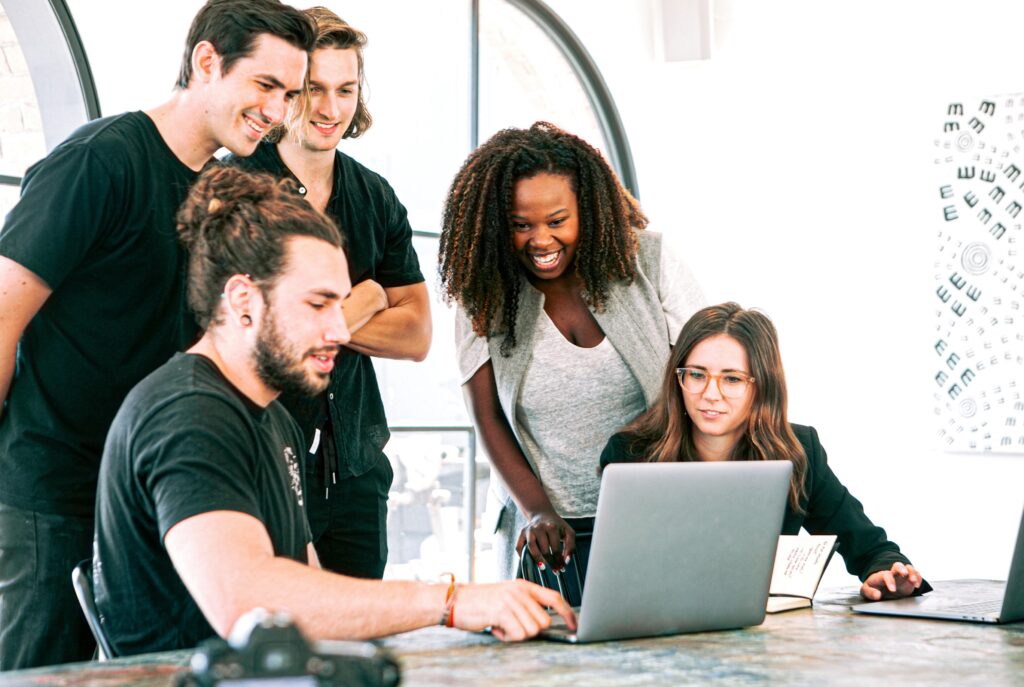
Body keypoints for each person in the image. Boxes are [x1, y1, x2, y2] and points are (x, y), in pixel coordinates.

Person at [92, 166, 574, 656]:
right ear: (242, 299)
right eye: (318, 305)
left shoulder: (274, 418)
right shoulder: (189, 415)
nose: (342, 332)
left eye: (340, 305)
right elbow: (250, 604)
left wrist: (461, 619)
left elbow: (312, 592)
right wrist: (450, 603)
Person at [0, 0, 315, 669]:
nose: (279, 110)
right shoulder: (99, 163)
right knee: (38, 671)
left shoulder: (233, 188)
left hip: (154, 491)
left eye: (290, 93)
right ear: (207, 61)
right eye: (265, 85)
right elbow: (2, 313)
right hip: (53, 486)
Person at [438, 122, 703, 587]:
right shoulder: (482, 291)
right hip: (547, 532)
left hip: (655, 512)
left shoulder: (650, 262)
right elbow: (488, 418)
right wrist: (537, 511)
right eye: (522, 225)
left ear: (590, 210)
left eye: (557, 221)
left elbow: (702, 381)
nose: (540, 240)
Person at [228, 7, 430, 579]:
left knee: (357, 651)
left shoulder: (376, 196)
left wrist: (313, 316)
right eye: (313, 89)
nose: (330, 108)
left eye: (346, 89)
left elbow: (416, 335)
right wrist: (366, 298)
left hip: (357, 470)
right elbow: (249, 332)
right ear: (287, 91)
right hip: (261, 462)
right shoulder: (236, 187)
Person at [600, 302, 931, 600]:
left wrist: (885, 572)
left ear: (762, 385)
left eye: (731, 379)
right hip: (655, 631)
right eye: (697, 375)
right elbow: (617, 572)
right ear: (678, 380)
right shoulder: (631, 454)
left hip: (761, 638)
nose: (710, 393)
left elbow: (869, 547)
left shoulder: (798, 452)